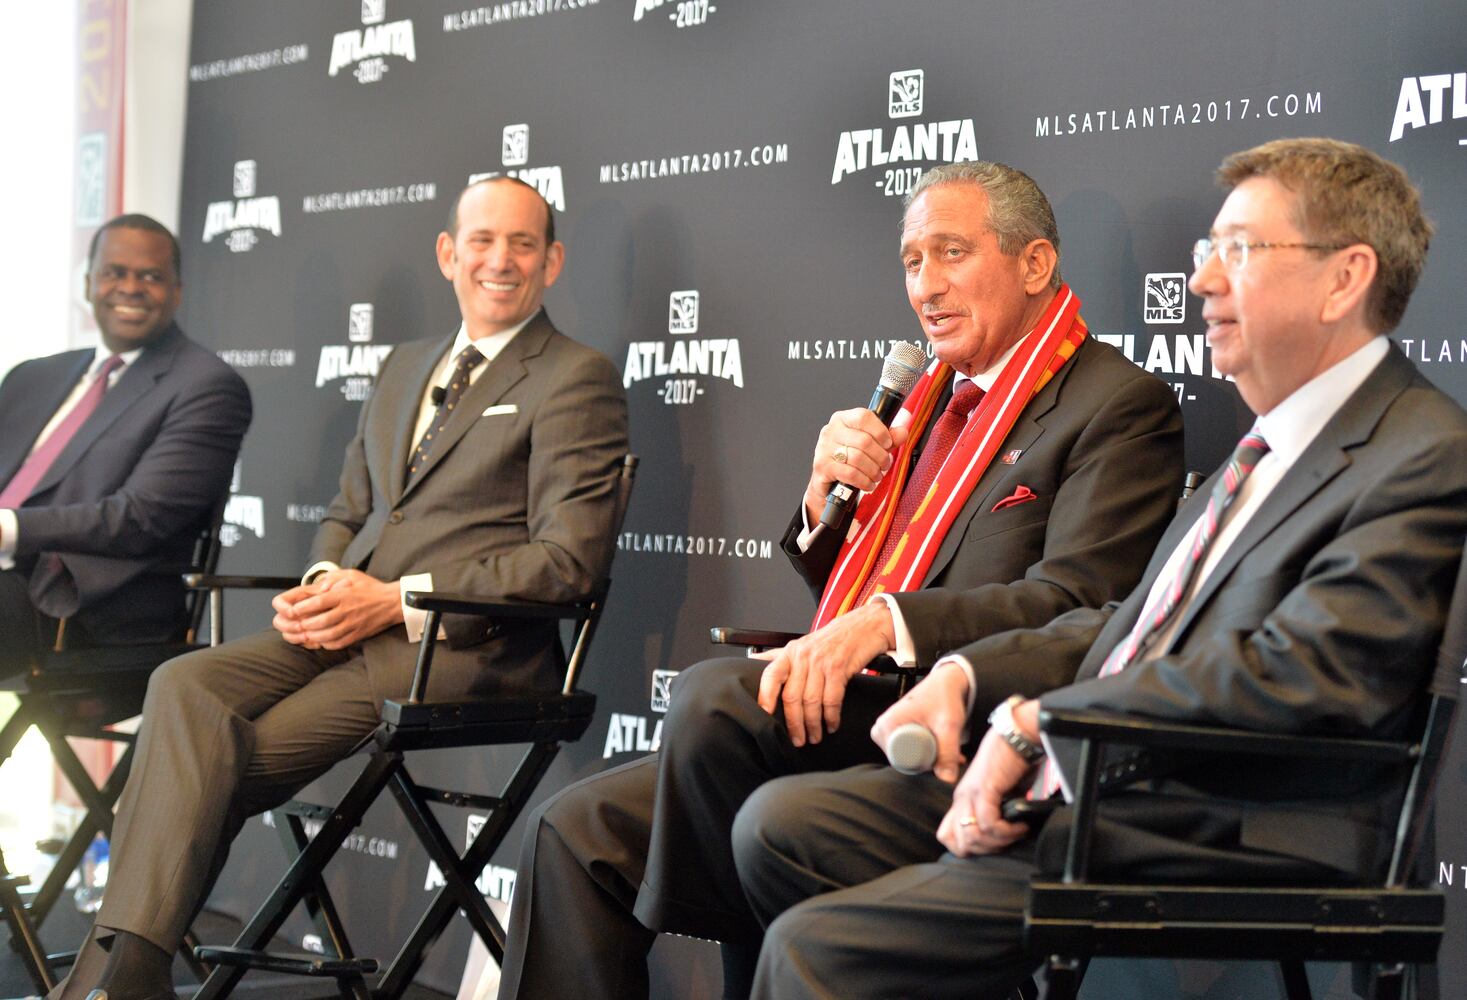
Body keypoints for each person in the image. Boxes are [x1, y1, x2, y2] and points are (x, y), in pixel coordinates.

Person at [739, 138, 1467, 1000]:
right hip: (1116, 782)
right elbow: (1128, 627)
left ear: (1344, 278)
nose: (1201, 280)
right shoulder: (1267, 448)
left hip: (1229, 819)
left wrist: (1041, 721)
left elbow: (1299, 676)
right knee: (780, 826)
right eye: (1207, 251)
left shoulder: (1419, 451)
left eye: (1239, 250)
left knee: (814, 950)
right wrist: (971, 677)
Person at [500, 162, 1186, 999]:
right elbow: (850, 578)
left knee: (714, 699)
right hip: (843, 713)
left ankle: (726, 921)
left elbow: (1077, 605)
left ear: (1035, 264)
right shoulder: (919, 403)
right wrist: (820, 502)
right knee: (567, 827)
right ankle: (731, 905)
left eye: (951, 252)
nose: (925, 286)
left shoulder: (1117, 405)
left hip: (950, 726)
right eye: (911, 261)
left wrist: (885, 622)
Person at [49, 177, 629, 1000]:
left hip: (464, 648)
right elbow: (348, 512)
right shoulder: (402, 366)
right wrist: (325, 580)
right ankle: (129, 979)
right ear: (448, 253)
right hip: (346, 624)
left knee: (212, 762)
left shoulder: (575, 376)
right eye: (481, 240)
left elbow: (566, 563)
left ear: (552, 261)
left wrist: (396, 599)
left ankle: (113, 982)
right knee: (182, 684)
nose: (499, 260)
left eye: (522, 243)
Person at [0, 214, 251, 675]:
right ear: (88, 283)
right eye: (114, 272)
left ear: (177, 291)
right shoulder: (32, 376)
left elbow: (140, 518)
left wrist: (8, 528)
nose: (131, 288)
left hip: (76, 599)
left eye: (150, 277)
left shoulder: (206, 386)